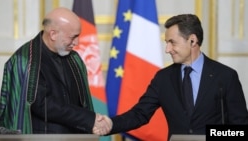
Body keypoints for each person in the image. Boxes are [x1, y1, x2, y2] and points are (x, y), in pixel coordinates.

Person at [93, 14, 248, 140]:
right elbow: (139, 114)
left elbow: (240, 127)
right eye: (167, 43)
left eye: (172, 43)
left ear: (192, 40)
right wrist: (110, 124)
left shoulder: (225, 76)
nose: (167, 49)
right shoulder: (163, 78)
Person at [0, 7, 111, 134]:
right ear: (53, 34)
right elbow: (41, 103)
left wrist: (93, 121)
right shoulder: (24, 61)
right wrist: (89, 119)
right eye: (73, 37)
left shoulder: (74, 59)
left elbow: (82, 102)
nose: (77, 42)